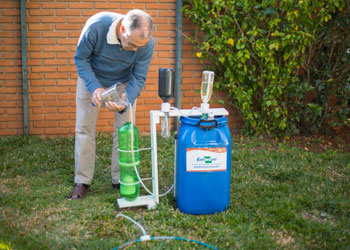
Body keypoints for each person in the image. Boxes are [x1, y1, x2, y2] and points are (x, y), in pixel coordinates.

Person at [68, 10, 155, 200]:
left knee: (125, 130)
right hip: (91, 78)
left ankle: (121, 178)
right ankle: (82, 181)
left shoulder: (145, 44)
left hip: (124, 83)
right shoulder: (96, 27)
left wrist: (126, 100)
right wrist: (94, 87)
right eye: (131, 44)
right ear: (122, 28)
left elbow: (139, 77)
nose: (134, 50)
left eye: (139, 46)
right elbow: (80, 58)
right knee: (84, 128)